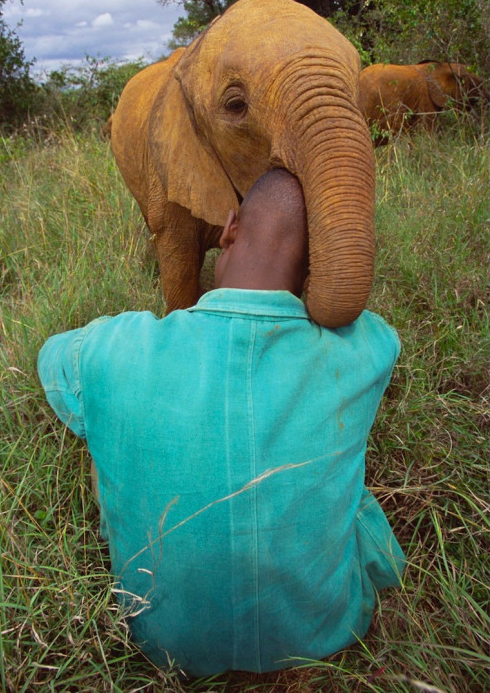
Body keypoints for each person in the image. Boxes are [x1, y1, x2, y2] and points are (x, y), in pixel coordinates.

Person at [38, 169, 405, 678]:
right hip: (323, 631)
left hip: (163, 641)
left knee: (102, 423)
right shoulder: (367, 350)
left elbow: (51, 360)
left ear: (228, 229)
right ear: (322, 260)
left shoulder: (117, 349)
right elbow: (373, 328)